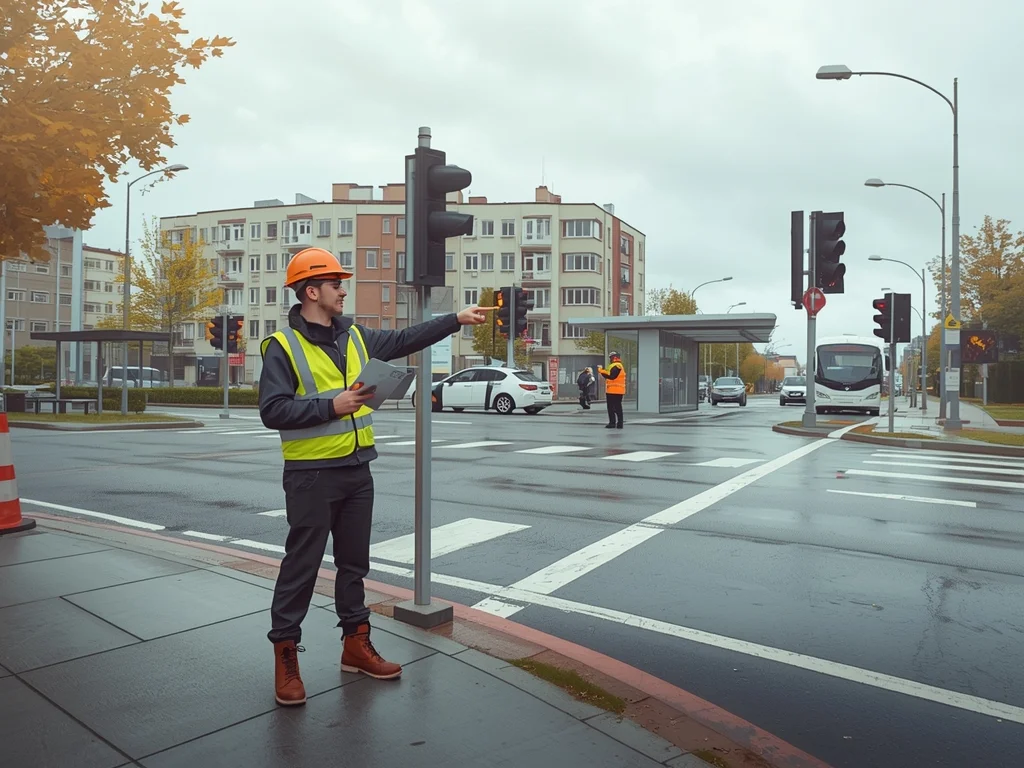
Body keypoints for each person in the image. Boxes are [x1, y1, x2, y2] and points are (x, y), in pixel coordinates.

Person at [258, 247, 487, 706]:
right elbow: (272, 410)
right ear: (311, 291)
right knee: (301, 566)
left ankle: (356, 645)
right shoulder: (282, 346)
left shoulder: (355, 336)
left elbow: (404, 339)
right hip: (310, 475)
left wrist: (455, 320)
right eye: (335, 284)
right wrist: (332, 405)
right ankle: (286, 656)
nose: (343, 291)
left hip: (357, 469)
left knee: (354, 565)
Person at [598, 351, 625, 429]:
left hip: (613, 390)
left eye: (611, 357)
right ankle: (619, 423)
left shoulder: (616, 366)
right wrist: (603, 372)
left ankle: (613, 423)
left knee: (612, 408)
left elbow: (611, 376)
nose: (610, 359)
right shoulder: (619, 366)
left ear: (614, 358)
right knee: (618, 407)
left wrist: (601, 371)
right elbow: (610, 375)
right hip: (618, 390)